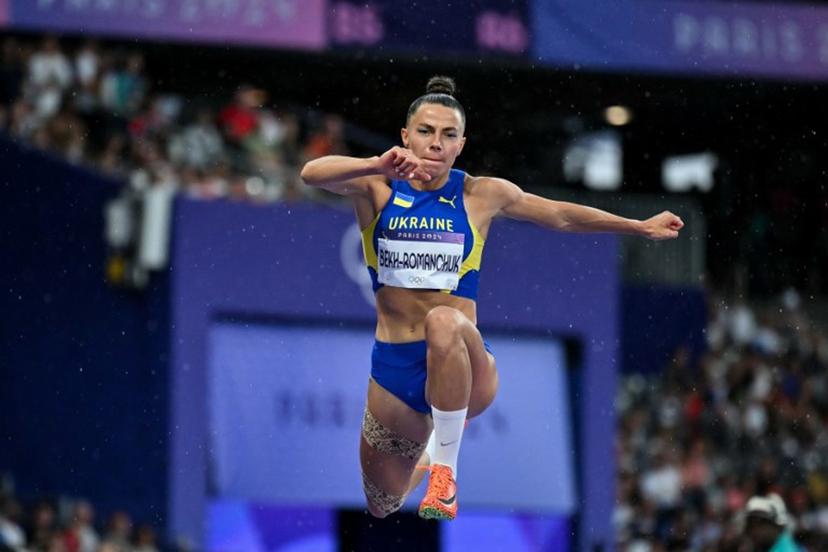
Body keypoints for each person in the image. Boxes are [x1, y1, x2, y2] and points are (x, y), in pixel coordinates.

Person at [300, 75, 684, 521]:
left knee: (442, 320)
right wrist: (375, 163)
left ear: (461, 144)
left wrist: (637, 226)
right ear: (405, 136)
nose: (435, 144)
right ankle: (429, 452)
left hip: (466, 359)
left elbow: (559, 215)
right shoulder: (377, 188)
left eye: (448, 135)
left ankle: (445, 471)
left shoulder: (480, 194)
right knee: (382, 505)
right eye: (425, 132)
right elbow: (311, 174)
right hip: (393, 369)